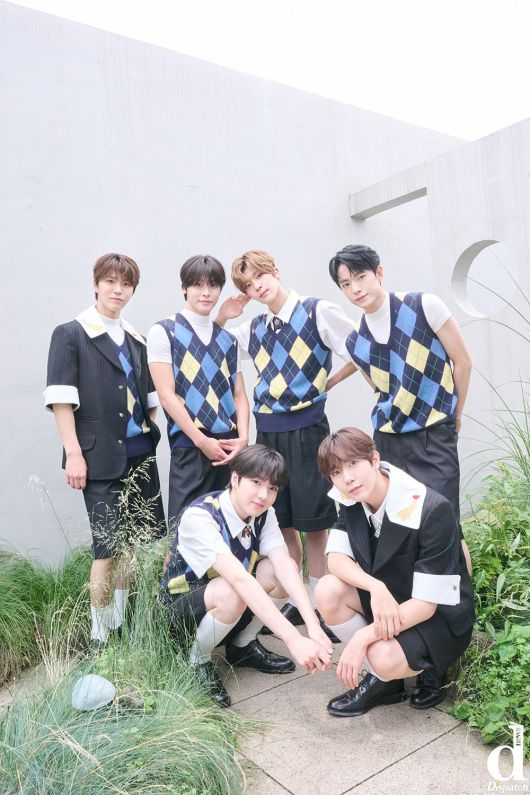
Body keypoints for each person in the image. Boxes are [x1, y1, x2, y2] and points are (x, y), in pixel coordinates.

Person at [215, 249, 355, 638]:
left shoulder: (316, 311)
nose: (257, 287)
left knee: (315, 523)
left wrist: (330, 381)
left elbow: (361, 348)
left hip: (309, 429)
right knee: (283, 521)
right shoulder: (256, 327)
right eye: (248, 285)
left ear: (275, 271)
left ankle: (321, 607)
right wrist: (224, 316)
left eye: (260, 276)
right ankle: (299, 600)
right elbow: (214, 346)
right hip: (269, 431)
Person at [44, 253, 166, 650]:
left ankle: (120, 621)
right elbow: (62, 400)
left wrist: (144, 432)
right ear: (95, 284)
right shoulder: (71, 333)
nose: (118, 290)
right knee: (107, 548)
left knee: (132, 545)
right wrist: (74, 453)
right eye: (110, 281)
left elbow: (149, 400)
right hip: (98, 458)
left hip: (139, 453)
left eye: (126, 284)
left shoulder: (136, 339)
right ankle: (99, 634)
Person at [315, 427, 474, 717]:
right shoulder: (351, 498)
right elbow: (335, 559)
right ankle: (387, 683)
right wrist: (375, 587)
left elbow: (427, 605)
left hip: (437, 615)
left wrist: (362, 638)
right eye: (336, 472)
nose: (347, 477)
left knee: (380, 655)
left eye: (354, 464)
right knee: (327, 591)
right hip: (391, 595)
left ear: (375, 459)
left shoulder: (431, 508)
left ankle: (430, 668)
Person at [161, 445, 333, 707]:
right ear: (235, 478)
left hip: (224, 602)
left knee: (279, 569)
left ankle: (242, 646)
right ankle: (197, 661)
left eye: (273, 488)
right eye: (256, 482)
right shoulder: (201, 516)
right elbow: (239, 580)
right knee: (233, 590)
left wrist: (313, 625)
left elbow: (284, 565)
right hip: (179, 612)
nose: (264, 495)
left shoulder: (263, 514)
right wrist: (293, 639)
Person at [147, 255, 249, 531]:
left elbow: (239, 394)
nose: (206, 292)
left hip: (229, 446)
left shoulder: (228, 339)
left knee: (228, 526)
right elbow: (166, 396)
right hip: (190, 443)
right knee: (184, 528)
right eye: (198, 285)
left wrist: (243, 438)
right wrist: (201, 440)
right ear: (184, 288)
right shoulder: (164, 331)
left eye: (213, 285)